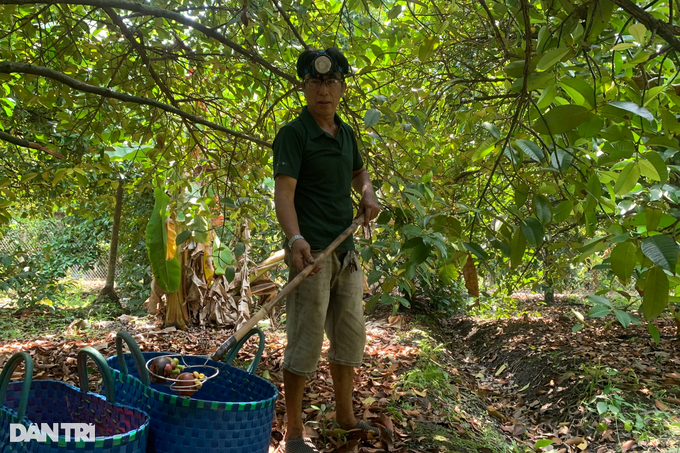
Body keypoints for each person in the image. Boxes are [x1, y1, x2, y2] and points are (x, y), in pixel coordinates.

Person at [272, 47, 381, 453]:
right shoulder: (294, 134)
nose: (323, 91)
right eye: (315, 82)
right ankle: (294, 431)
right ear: (304, 87)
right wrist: (296, 240)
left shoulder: (346, 133)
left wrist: (368, 194)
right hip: (311, 254)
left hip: (347, 253)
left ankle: (345, 415)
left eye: (331, 81)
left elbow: (359, 173)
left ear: (341, 87)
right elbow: (284, 194)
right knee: (303, 341)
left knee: (350, 337)